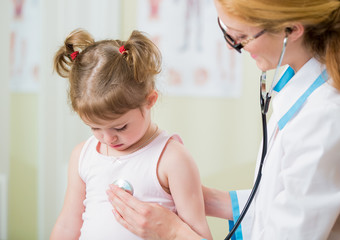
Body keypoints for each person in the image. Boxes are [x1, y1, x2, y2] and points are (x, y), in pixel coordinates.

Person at [107, 0, 340, 239]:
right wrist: (201, 198)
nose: (232, 46)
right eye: (225, 30)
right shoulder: (301, 83)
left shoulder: (324, 118)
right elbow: (282, 200)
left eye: (242, 36)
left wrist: (174, 233)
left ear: (291, 30)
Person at [50, 29, 212, 240]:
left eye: (120, 128)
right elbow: (67, 226)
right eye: (95, 128)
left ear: (149, 100)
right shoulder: (83, 156)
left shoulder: (171, 159)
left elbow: (200, 234)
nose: (108, 139)